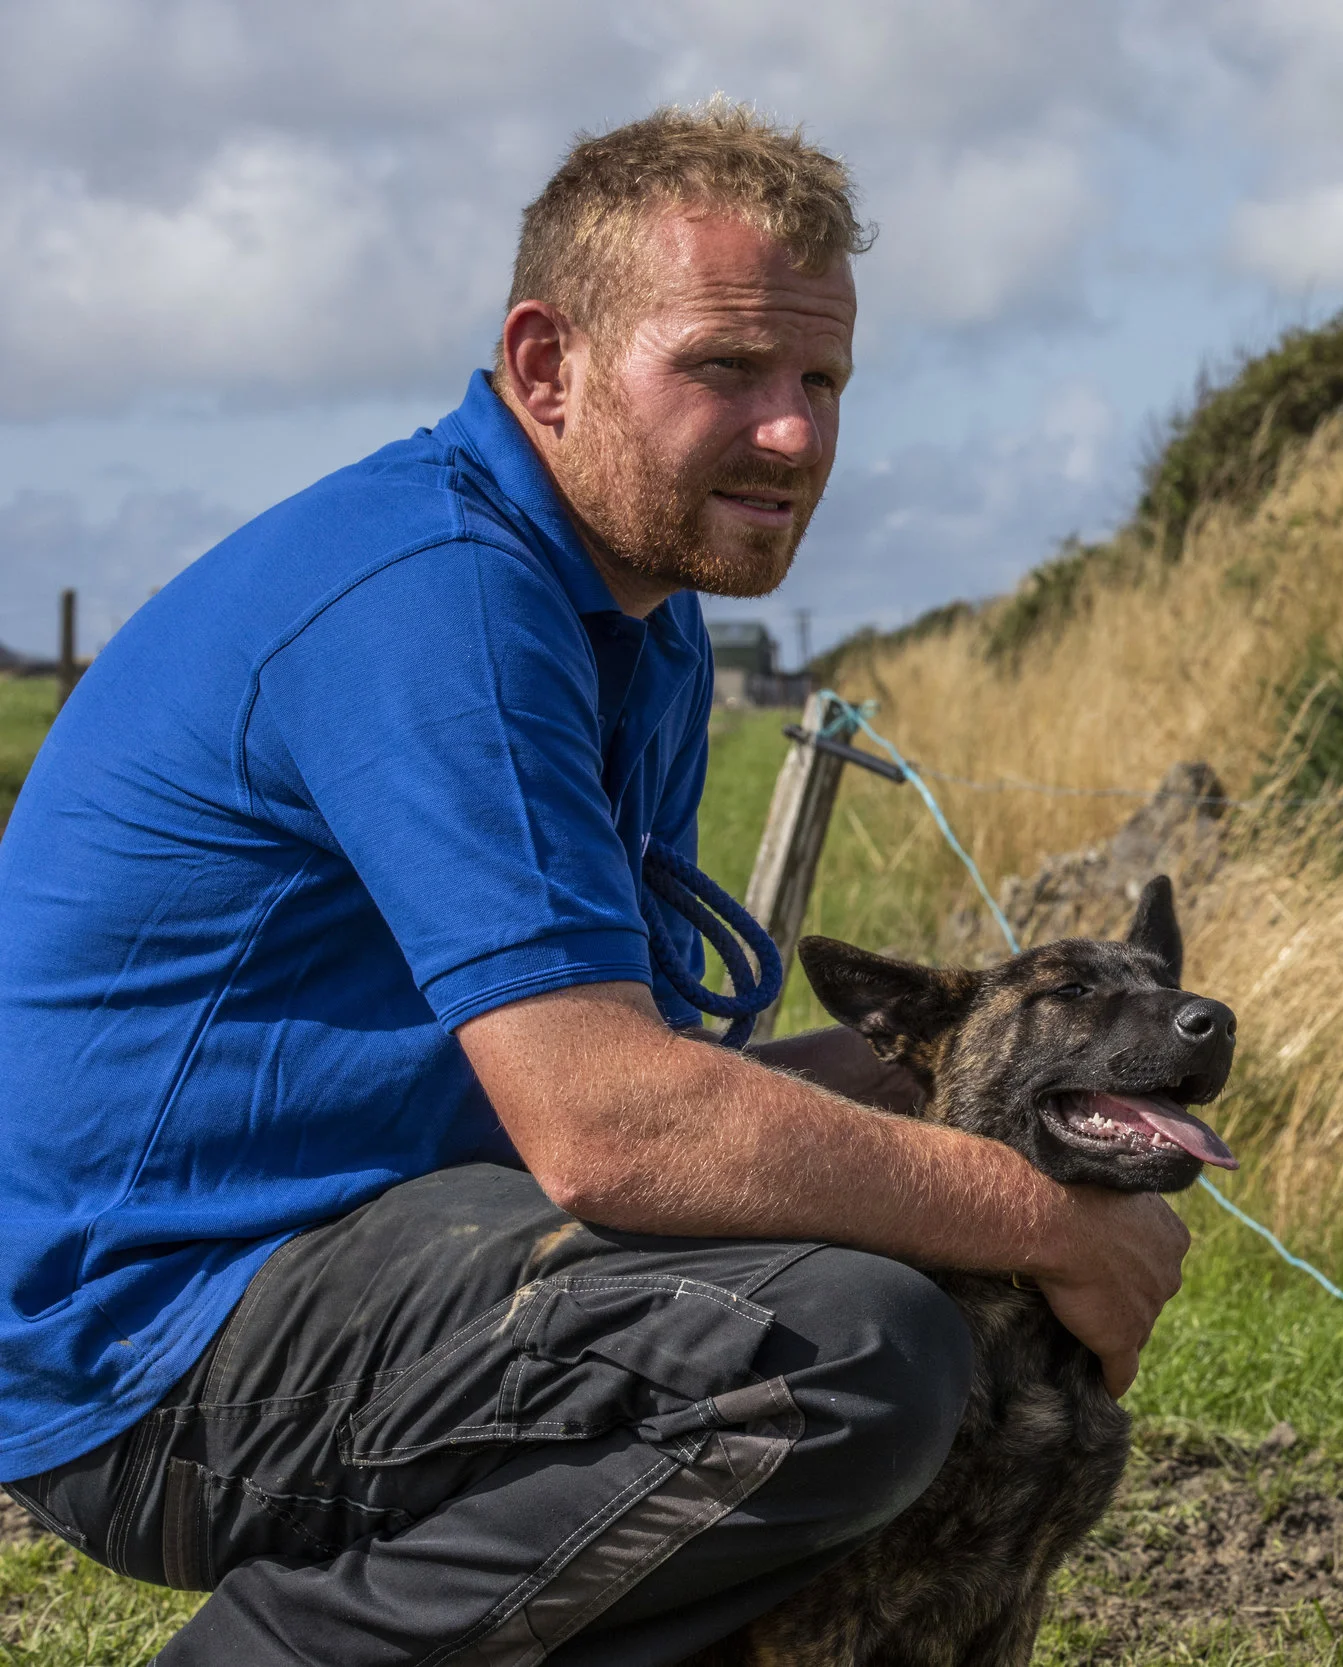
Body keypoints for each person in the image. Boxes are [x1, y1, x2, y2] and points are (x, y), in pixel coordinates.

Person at [0, 101, 1190, 1665]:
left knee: (821, 1304)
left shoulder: (640, 617)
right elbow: (614, 1125)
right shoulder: (443, 598)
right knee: (836, 1349)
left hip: (375, 1246)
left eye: (821, 379)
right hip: (145, 1343)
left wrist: (988, 1081)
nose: (795, 434)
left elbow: (644, 1076)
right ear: (546, 365)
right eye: (725, 369)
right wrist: (1041, 1219)